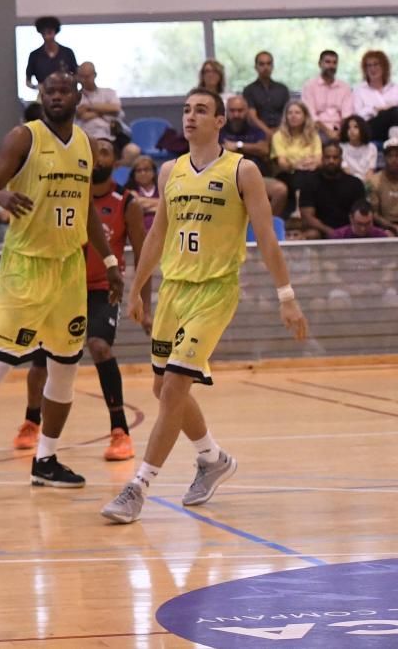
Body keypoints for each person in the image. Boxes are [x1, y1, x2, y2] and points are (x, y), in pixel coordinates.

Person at [101, 88, 309, 524]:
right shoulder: (169, 171)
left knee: (174, 387)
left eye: (201, 110)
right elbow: (157, 235)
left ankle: (138, 486)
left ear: (219, 122)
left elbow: (266, 238)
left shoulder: (243, 171)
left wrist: (286, 297)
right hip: (175, 290)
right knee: (163, 391)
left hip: (215, 291)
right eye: (186, 109)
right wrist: (138, 288)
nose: (191, 116)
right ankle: (211, 458)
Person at [0, 70, 124, 508]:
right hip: (26, 269)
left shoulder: (87, 147)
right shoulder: (23, 138)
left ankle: (47, 460)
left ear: (77, 95)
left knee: (65, 367)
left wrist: (109, 260)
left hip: (70, 269)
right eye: (48, 91)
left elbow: (87, 208)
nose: (56, 96)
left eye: (63, 90)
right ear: (40, 95)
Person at [14, 137, 146, 461]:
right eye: (94, 149)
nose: (98, 154)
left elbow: (145, 257)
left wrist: (144, 302)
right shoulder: (69, 195)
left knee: (100, 346)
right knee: (41, 357)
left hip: (102, 288)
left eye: (105, 150)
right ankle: (32, 420)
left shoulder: (127, 202)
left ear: (114, 162)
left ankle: (120, 431)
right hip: (61, 287)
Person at [220, 95, 287, 215]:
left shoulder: (256, 130)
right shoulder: (219, 130)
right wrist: (251, 148)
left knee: (280, 190)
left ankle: (265, 226)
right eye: (232, 110)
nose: (236, 114)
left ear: (246, 111)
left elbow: (264, 149)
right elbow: (218, 151)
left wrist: (237, 146)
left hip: (255, 178)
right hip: (226, 178)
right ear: (226, 112)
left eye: (240, 110)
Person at [298, 142, 369, 239]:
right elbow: (307, 217)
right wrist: (332, 232)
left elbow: (361, 213)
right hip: (322, 231)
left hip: (350, 231)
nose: (331, 161)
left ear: (341, 160)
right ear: (322, 159)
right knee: (312, 234)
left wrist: (344, 232)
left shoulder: (355, 183)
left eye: (335, 158)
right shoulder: (310, 182)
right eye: (327, 157)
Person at [76, 63, 137, 162]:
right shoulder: (76, 96)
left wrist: (89, 107)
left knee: (133, 150)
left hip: (112, 137)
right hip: (88, 139)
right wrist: (105, 110)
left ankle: (117, 170)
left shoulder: (109, 92)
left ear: (94, 75)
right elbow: (83, 116)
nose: (84, 80)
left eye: (87, 76)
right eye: (81, 77)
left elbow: (116, 108)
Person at [271, 99, 323, 209]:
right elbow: (282, 163)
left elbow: (318, 159)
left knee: (313, 177)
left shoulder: (313, 135)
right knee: (301, 178)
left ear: (305, 116)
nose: (293, 116)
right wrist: (296, 165)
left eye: (297, 113)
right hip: (289, 172)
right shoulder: (278, 136)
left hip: (310, 171)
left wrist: (311, 164)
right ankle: (299, 211)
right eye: (290, 113)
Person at [301, 50, 353, 141]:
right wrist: (328, 131)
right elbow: (310, 114)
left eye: (334, 63)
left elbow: (347, 115)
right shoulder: (309, 86)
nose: (331, 66)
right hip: (316, 129)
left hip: (339, 130)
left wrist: (340, 132)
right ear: (320, 64)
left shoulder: (345, 87)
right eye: (327, 62)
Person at [354, 50, 398, 145]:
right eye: (369, 65)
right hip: (370, 128)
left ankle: (394, 140)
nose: (372, 68)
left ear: (384, 67)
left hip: (393, 125)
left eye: (376, 64)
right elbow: (357, 116)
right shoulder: (359, 90)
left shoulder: (394, 88)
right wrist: (374, 109)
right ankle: (394, 141)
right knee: (394, 111)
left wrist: (388, 107)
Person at [24, 17, 77, 90]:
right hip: (44, 94)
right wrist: (36, 87)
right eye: (43, 33)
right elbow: (28, 81)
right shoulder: (34, 55)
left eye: (49, 32)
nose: (47, 37)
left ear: (55, 32)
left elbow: (76, 75)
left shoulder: (67, 52)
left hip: (65, 92)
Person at [123, 154, 160, 232]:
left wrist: (144, 207)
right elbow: (137, 204)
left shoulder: (162, 189)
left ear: (153, 172)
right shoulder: (128, 191)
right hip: (139, 233)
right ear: (134, 174)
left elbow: (169, 206)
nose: (143, 173)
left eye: (146, 169)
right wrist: (159, 205)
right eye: (139, 170)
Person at [370, 136, 398, 234]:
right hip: (385, 226)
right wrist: (392, 226)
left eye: (397, 155)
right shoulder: (374, 181)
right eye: (390, 156)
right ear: (384, 157)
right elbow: (374, 214)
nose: (394, 160)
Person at [341, 115, 378, 182]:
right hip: (348, 183)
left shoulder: (372, 148)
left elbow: (370, 172)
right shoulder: (341, 147)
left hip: (365, 183)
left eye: (356, 127)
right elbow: (346, 171)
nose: (352, 130)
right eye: (349, 128)